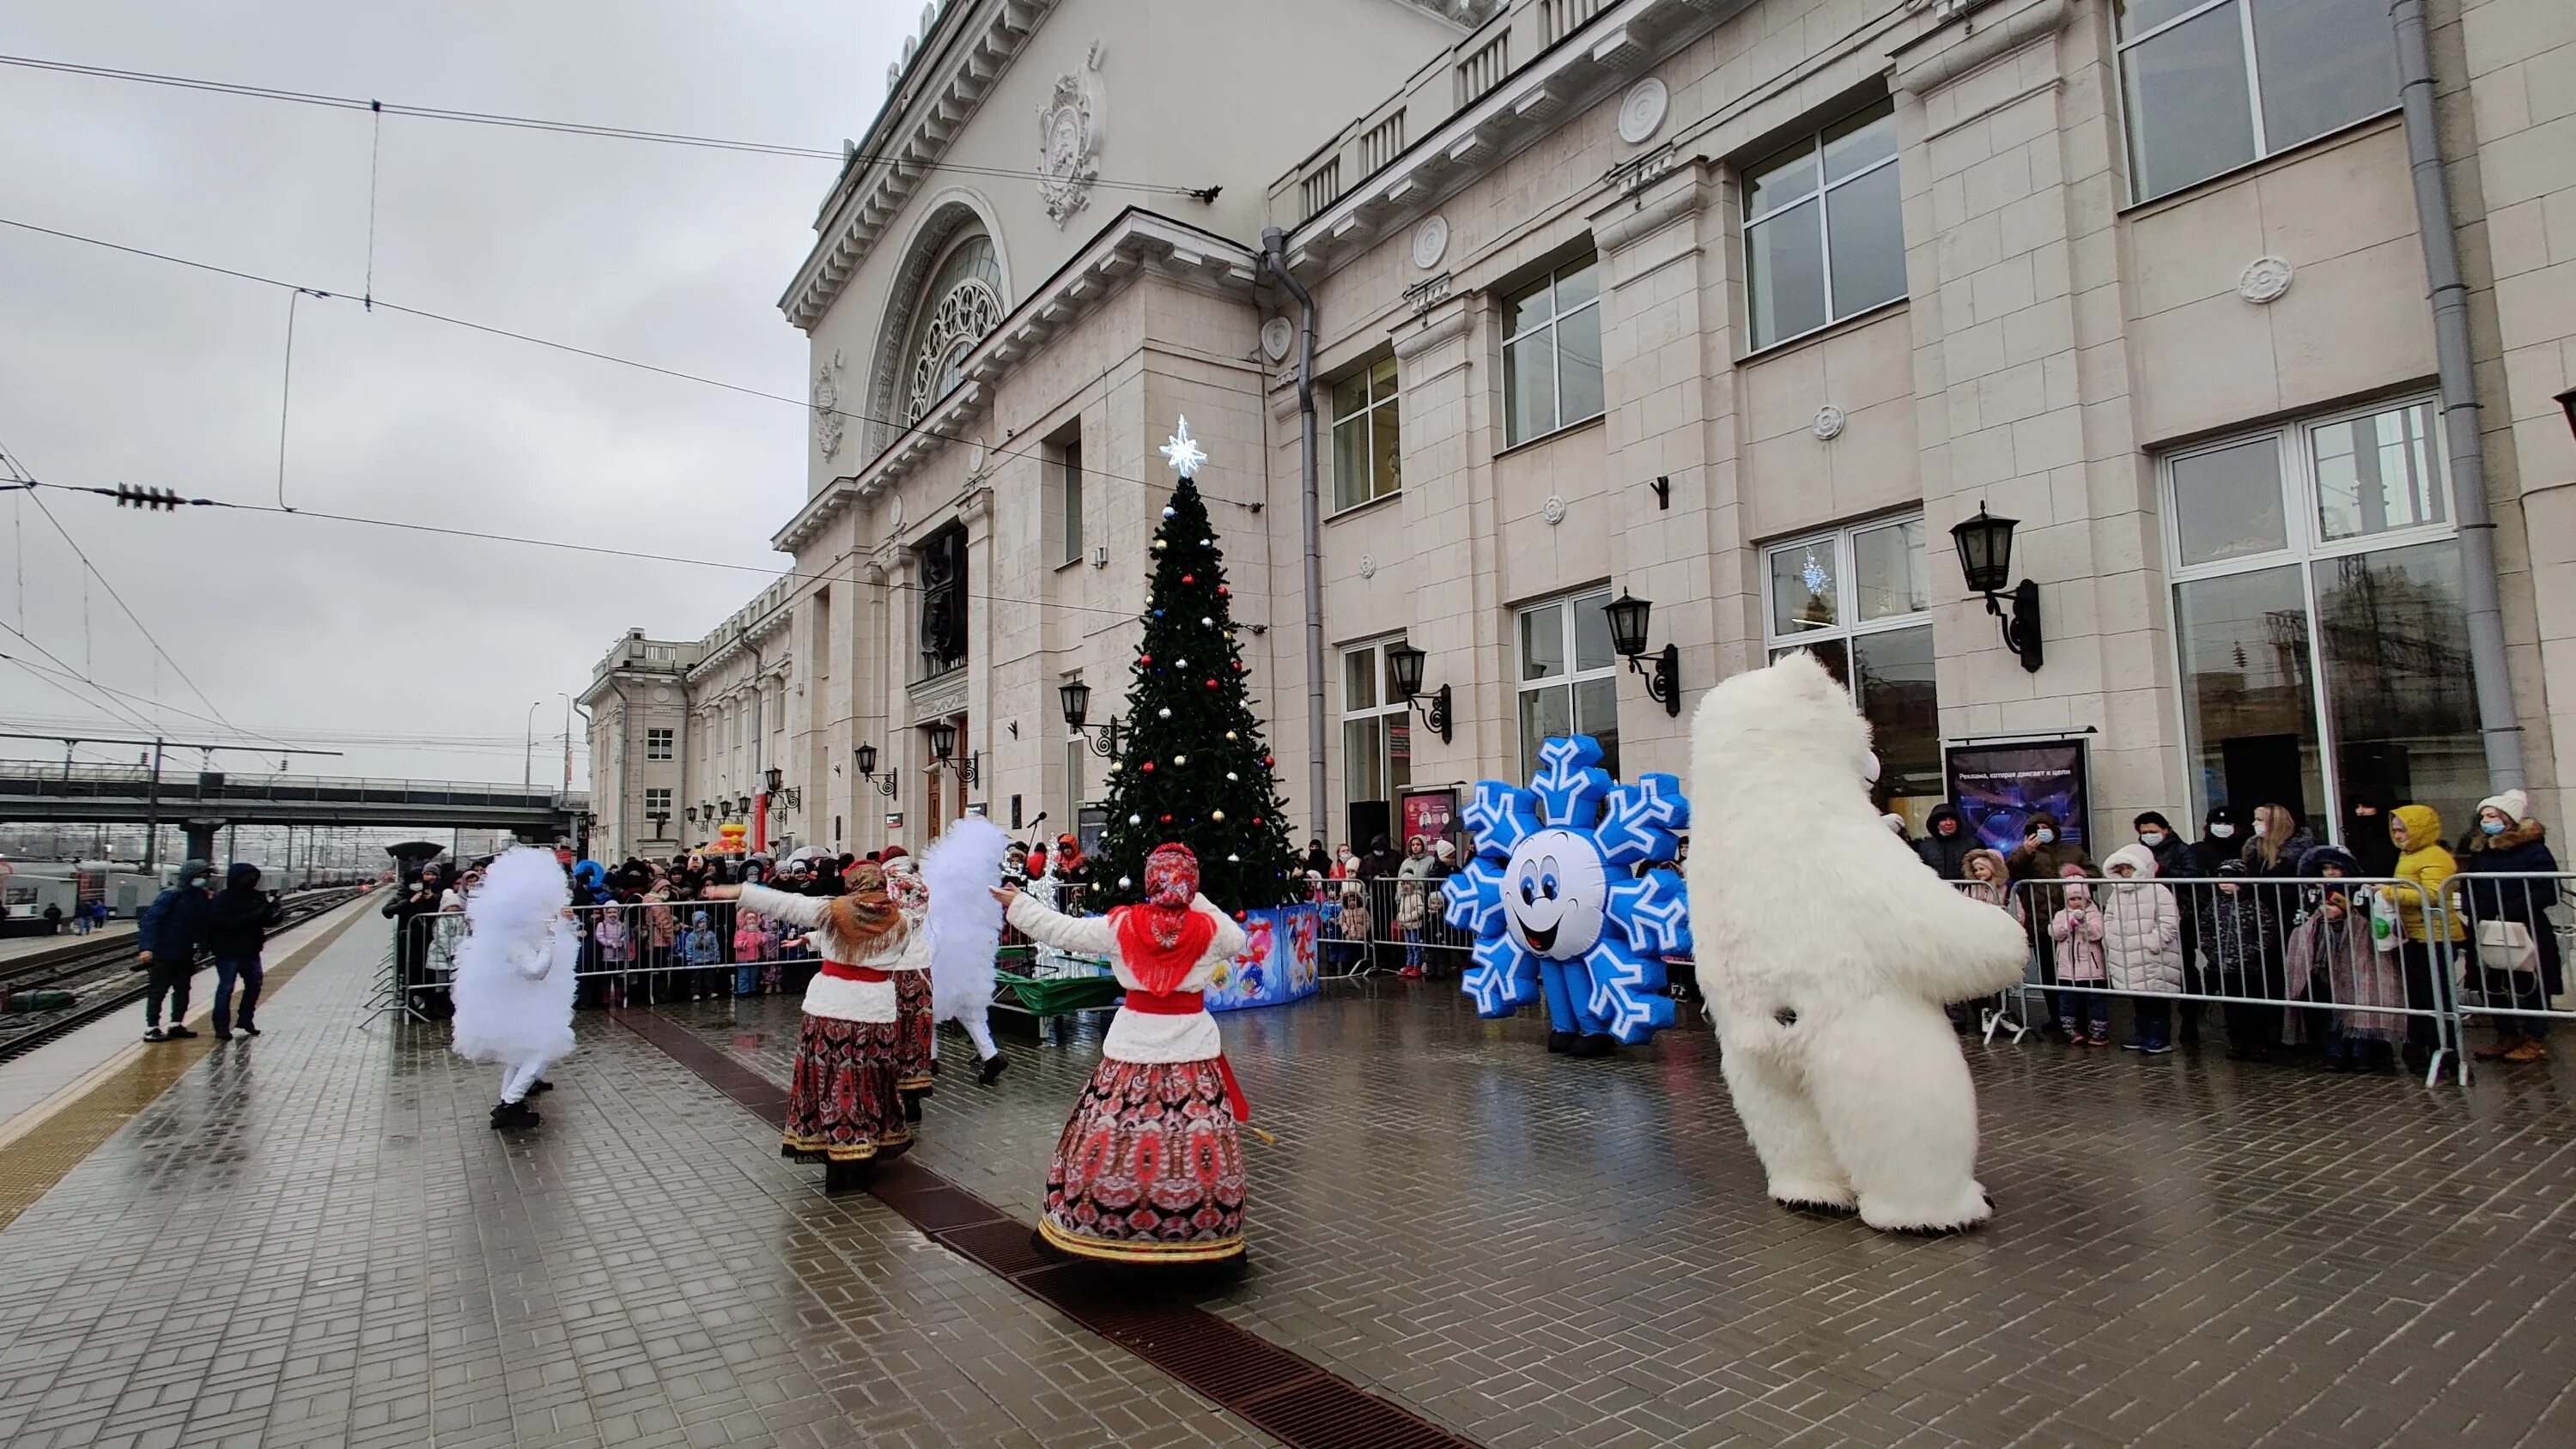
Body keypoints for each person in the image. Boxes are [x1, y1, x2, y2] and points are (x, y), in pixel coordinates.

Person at [999, 843, 1252, 1266]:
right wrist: (1196, 898)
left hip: (1132, 1049)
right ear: (1192, 883)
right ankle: (1198, 1230)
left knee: (1115, 1132)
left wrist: (1019, 904)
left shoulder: (1123, 925)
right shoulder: (1212, 931)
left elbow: (1063, 930)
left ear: (1150, 880)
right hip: (1191, 1050)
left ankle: (1109, 1225)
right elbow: (1238, 936)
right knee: (1195, 1138)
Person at [702, 861, 917, 1183]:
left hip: (829, 1009)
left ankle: (833, 1154)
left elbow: (785, 904)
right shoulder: (903, 921)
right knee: (869, 1080)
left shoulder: (832, 911)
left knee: (828, 1080)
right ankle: (865, 1151)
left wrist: (736, 891)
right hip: (875, 1012)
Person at [451, 847, 578, 1130]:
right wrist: (550, 941)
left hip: (519, 1004)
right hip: (517, 1003)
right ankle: (511, 1102)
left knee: (520, 1052)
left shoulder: (508, 933)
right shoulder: (513, 941)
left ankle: (509, 1101)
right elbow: (535, 970)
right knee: (541, 1049)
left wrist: (558, 923)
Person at [2453, 789, 2561, 1064]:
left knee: (2532, 982)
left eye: (2492, 815)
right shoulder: (2482, 850)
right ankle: (2505, 1035)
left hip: (2525, 927)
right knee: (2493, 983)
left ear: (2509, 819)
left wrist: (2509, 910)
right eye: (2484, 816)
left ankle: (2535, 1038)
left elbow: (2548, 889)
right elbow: (2469, 883)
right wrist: (2471, 906)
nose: (2486, 820)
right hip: (2487, 927)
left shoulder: (2534, 849)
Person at [2287, 845, 2405, 1073]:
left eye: (2336, 868)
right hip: (2324, 956)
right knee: (2329, 1007)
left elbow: (2372, 915)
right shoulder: (2311, 891)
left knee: (2360, 1003)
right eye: (2326, 868)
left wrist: (2342, 905)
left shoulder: (2361, 889)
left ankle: (2362, 1053)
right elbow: (2301, 918)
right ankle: (2335, 1052)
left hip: (2359, 955)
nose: (2330, 873)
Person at [2387, 803, 2463, 1070]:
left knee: (2436, 996)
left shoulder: (2435, 856)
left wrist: (2389, 893)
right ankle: (2423, 1048)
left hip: (2436, 936)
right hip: (2416, 936)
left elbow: (2432, 894)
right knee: (2420, 995)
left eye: (2402, 830)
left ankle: (2447, 1050)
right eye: (2395, 830)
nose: (2397, 835)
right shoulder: (2408, 855)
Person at [2007, 811, 2090, 1032]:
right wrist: (2027, 852)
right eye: (2037, 828)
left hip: (2072, 923)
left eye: (2046, 827)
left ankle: (2079, 1018)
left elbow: (2093, 874)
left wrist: (2075, 876)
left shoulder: (2073, 851)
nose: (2043, 831)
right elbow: (2011, 871)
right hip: (2041, 922)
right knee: (2049, 973)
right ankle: (2056, 1017)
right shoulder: (2025, 852)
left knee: (2075, 971)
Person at [2099, 843, 2182, 1053]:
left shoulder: (2158, 890)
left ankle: (2160, 1037)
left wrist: (2152, 943)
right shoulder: (2117, 893)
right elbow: (2108, 916)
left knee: (2157, 997)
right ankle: (2142, 1033)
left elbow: (2169, 921)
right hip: (2127, 955)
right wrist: (2112, 938)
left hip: (2153, 956)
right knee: (2138, 997)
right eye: (2122, 869)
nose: (2126, 873)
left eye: (2130, 868)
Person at [2201, 858, 2283, 1062]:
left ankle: (2257, 1045)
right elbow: (2205, 930)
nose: (2225, 884)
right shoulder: (2214, 905)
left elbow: (2268, 934)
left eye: (2230, 879)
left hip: (2251, 969)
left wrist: (2251, 952)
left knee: (2254, 1008)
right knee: (2231, 1009)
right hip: (2224, 967)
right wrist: (2211, 952)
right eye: (2221, 879)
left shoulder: (2255, 906)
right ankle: (2236, 1043)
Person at [136, 861, 216, 1042]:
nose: (203, 880)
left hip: (185, 951)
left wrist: (204, 946)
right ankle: (152, 1027)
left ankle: (176, 1023)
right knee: (158, 990)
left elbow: (204, 924)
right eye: (200, 876)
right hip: (164, 952)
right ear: (189, 876)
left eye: (205, 877)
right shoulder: (171, 895)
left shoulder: (201, 898)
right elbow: (151, 921)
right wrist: (147, 947)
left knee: (183, 989)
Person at [204, 863, 283, 1041]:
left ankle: (246, 1019)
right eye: (248, 877)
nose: (252, 880)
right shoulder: (222, 900)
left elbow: (266, 920)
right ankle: (221, 1026)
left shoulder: (257, 897)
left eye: (254, 877)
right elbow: (219, 924)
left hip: (250, 949)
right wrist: (251, 917)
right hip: (228, 950)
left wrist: (275, 911)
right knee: (226, 988)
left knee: (255, 983)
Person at [882, 858, 937, 1118]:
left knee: (892, 1033)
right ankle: (914, 1094)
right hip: (921, 969)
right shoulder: (924, 890)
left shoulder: (887, 893)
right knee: (918, 1032)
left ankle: (893, 1096)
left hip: (893, 969)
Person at [2047, 872, 2109, 1045]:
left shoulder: (2094, 914)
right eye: (2072, 899)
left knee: (2096, 1000)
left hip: (2091, 968)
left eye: (2080, 898)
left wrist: (2083, 925)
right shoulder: (2061, 914)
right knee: (2067, 1000)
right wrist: (2068, 926)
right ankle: (2070, 1030)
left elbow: (2097, 933)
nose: (2076, 903)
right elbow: (2054, 932)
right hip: (2067, 969)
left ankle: (2099, 1031)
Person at [1915, 803, 1973, 880]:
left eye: (1952, 819)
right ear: (1936, 824)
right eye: (1944, 820)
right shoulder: (1924, 847)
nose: (1949, 823)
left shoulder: (1972, 844)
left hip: (1965, 891)